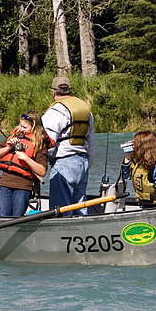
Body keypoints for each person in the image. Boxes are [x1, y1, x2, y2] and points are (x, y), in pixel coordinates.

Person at [42, 76, 95, 216]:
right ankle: (81, 235)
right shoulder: (85, 110)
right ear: (70, 90)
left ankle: (62, 235)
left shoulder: (55, 111)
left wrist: (43, 162)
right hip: (82, 162)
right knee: (81, 206)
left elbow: (48, 143)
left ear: (53, 92)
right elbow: (91, 141)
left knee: (60, 210)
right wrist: (88, 162)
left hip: (63, 163)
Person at [0, 111, 53, 216]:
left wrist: (25, 158)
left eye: (25, 127)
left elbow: (42, 171)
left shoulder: (40, 144)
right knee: (2, 218)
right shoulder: (14, 136)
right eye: (20, 125)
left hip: (23, 186)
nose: (21, 129)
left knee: (17, 218)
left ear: (34, 127)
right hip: (5, 184)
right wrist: (8, 147)